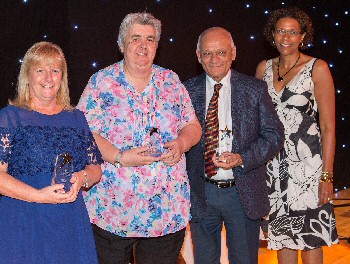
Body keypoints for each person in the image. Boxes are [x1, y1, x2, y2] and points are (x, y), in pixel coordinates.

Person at [76, 12, 202, 264]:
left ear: (157, 45)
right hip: (112, 209)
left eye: (150, 39)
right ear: (122, 44)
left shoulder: (171, 81)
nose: (143, 45)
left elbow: (193, 126)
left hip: (165, 210)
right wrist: (120, 157)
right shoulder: (101, 82)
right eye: (135, 38)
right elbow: (85, 132)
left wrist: (181, 143)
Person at [184, 27, 284, 264]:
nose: (215, 59)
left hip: (242, 193)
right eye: (208, 53)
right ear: (198, 56)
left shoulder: (254, 89)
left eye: (221, 52)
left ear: (233, 53)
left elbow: (274, 135)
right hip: (201, 193)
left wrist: (242, 158)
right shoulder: (185, 91)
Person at [0, 42, 103, 264]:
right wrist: (39, 196)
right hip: (23, 222)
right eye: (40, 70)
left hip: (69, 223)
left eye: (55, 70)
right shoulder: (10, 117)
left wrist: (81, 178)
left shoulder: (77, 118)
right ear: (27, 76)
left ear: (62, 77)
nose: (48, 78)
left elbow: (95, 169)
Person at [255, 7, 339, 264]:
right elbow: (257, 124)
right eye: (281, 31)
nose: (286, 37)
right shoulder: (263, 69)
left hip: (309, 166)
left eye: (293, 32)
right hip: (273, 166)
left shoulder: (318, 68)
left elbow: (328, 128)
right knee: (283, 238)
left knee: (311, 237)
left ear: (303, 36)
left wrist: (326, 176)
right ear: (273, 35)